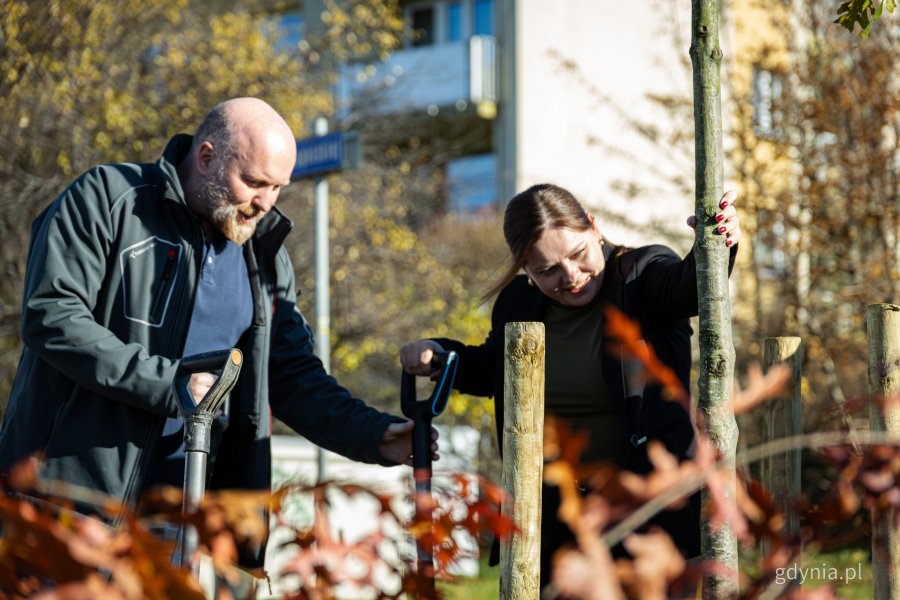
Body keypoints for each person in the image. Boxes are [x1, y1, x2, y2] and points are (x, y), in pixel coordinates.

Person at [0, 97, 432, 567]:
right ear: (206, 157)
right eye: (253, 182)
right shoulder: (109, 199)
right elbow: (52, 315)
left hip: (181, 529)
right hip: (63, 507)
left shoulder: (266, 258)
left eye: (278, 188)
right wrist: (170, 385)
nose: (266, 202)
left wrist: (373, 435)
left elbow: (290, 377)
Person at [400, 183, 741, 589]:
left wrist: (717, 245)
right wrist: (441, 354)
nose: (572, 276)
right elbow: (496, 369)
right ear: (525, 269)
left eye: (579, 255)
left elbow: (688, 289)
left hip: (647, 515)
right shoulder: (517, 303)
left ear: (594, 229)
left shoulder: (642, 274)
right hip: (553, 521)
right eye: (547, 270)